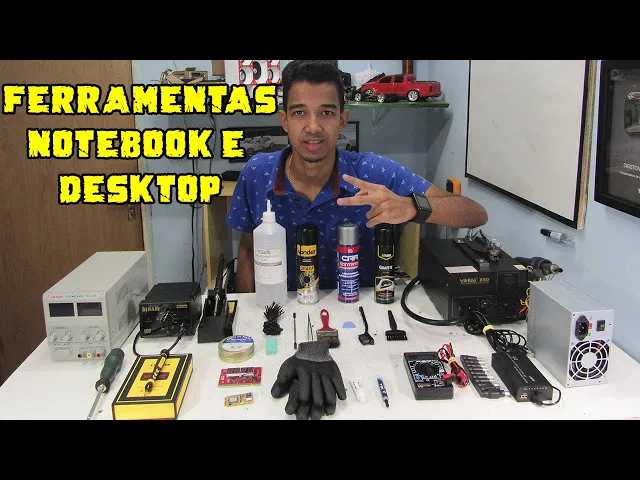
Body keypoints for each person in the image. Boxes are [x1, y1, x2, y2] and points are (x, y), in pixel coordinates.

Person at [226, 60, 488, 294]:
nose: (313, 127)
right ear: (284, 120)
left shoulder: (373, 172)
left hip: (361, 313)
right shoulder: (257, 173)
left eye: (326, 112)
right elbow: (248, 250)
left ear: (342, 119)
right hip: (281, 311)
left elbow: (475, 213)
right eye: (299, 112)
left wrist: (411, 206)